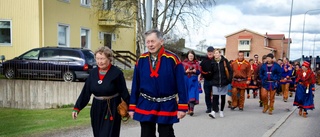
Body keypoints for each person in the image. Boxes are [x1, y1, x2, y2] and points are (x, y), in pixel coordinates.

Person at [128, 29, 187, 137]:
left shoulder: (173, 59)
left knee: (166, 134)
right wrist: (132, 107)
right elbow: (135, 85)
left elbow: (181, 84)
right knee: (146, 134)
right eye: (148, 42)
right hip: (146, 103)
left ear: (161, 41)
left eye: (153, 41)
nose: (150, 45)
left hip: (167, 104)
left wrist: (182, 106)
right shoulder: (141, 60)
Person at [72, 46, 130, 137]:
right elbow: (86, 92)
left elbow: (124, 92)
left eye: (102, 59)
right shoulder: (93, 73)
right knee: (98, 134)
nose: (100, 61)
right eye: (98, 59)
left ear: (109, 59)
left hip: (112, 107)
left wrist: (131, 108)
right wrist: (77, 108)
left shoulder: (117, 73)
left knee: (109, 134)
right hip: (96, 107)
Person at [208, 49, 232, 118]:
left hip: (224, 82)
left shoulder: (224, 61)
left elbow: (230, 70)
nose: (215, 54)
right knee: (215, 97)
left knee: (223, 97)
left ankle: (221, 111)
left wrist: (229, 80)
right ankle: (213, 112)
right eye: (214, 53)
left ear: (220, 54)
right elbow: (211, 72)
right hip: (215, 82)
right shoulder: (212, 62)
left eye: (217, 53)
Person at [182, 50, 201, 116]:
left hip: (193, 80)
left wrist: (195, 71)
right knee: (187, 94)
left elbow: (199, 72)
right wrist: (186, 71)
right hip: (186, 80)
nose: (191, 57)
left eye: (192, 56)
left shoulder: (196, 63)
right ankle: (188, 109)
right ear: (187, 56)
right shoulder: (184, 63)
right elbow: (181, 72)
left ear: (193, 56)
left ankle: (191, 110)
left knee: (192, 94)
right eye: (190, 56)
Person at [200, 46, 215, 113]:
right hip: (207, 80)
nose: (210, 53)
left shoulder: (216, 60)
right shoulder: (204, 60)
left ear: (213, 52)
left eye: (211, 51)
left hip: (214, 80)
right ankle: (208, 107)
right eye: (209, 51)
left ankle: (215, 106)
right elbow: (200, 69)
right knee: (207, 94)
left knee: (215, 94)